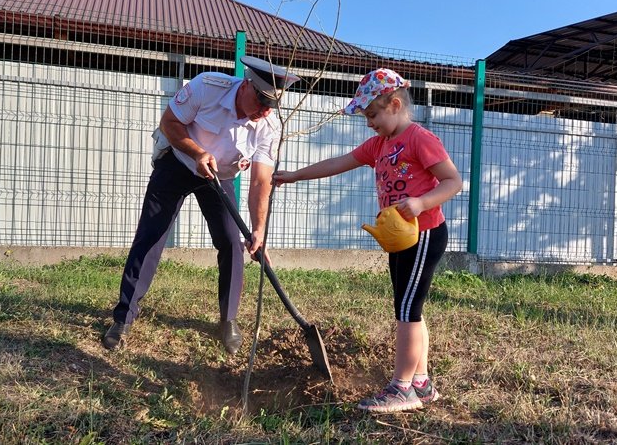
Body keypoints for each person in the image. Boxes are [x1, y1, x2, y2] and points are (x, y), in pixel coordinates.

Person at [273, 68, 462, 413]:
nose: (368, 123)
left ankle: (401, 389)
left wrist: (420, 203)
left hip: (424, 233)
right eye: (365, 116)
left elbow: (452, 181)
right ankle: (421, 383)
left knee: (407, 310)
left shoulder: (420, 139)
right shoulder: (380, 145)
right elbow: (340, 162)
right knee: (409, 309)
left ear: (394, 104)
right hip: (399, 237)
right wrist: (295, 176)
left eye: (372, 114)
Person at [102, 56, 300, 355]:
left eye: (271, 105)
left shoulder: (268, 126)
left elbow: (261, 181)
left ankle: (228, 319)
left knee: (232, 242)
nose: (264, 110)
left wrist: (259, 230)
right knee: (151, 236)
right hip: (179, 163)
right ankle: (123, 317)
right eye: (260, 100)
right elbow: (169, 122)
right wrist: (196, 152)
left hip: (219, 178)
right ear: (246, 86)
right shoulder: (207, 87)